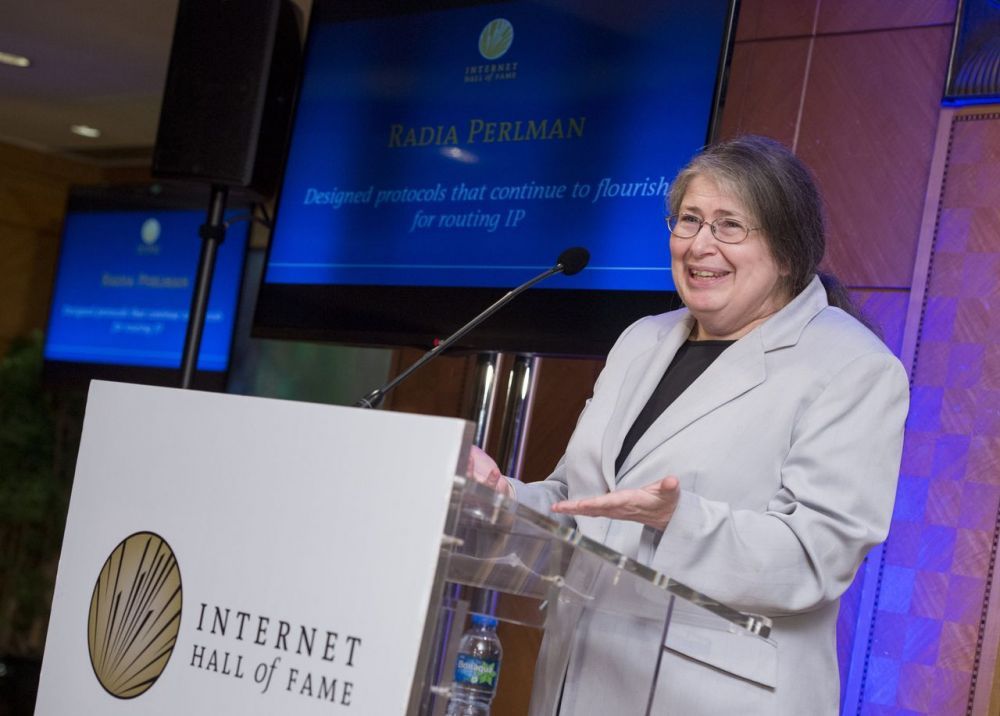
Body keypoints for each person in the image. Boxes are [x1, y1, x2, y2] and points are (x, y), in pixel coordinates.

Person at [468, 135, 909, 715]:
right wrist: (505, 499)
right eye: (689, 221)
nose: (701, 244)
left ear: (787, 249)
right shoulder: (641, 339)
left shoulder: (854, 367)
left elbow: (814, 557)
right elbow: (583, 500)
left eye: (729, 225)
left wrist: (681, 521)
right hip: (576, 683)